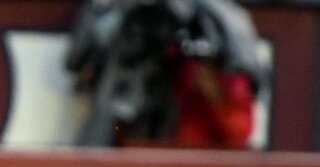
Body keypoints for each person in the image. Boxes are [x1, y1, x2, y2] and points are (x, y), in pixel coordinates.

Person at [65, 0, 261, 149]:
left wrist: (216, 94)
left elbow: (240, 133)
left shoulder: (224, 47)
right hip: (145, 165)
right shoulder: (143, 41)